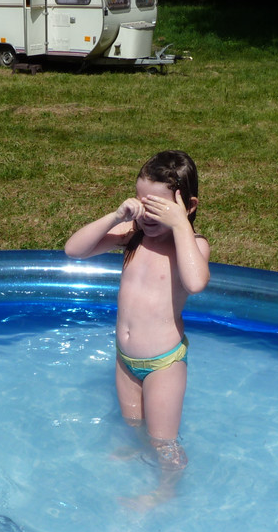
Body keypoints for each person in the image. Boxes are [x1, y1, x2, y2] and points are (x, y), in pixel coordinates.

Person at [64, 150, 210, 506]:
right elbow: (74, 250)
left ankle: (165, 491)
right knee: (133, 423)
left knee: (164, 441)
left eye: (158, 207)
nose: (147, 215)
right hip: (125, 360)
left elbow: (195, 283)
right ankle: (139, 450)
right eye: (142, 203)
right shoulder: (132, 235)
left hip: (163, 365)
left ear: (187, 206)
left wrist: (180, 226)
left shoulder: (192, 246)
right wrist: (116, 216)